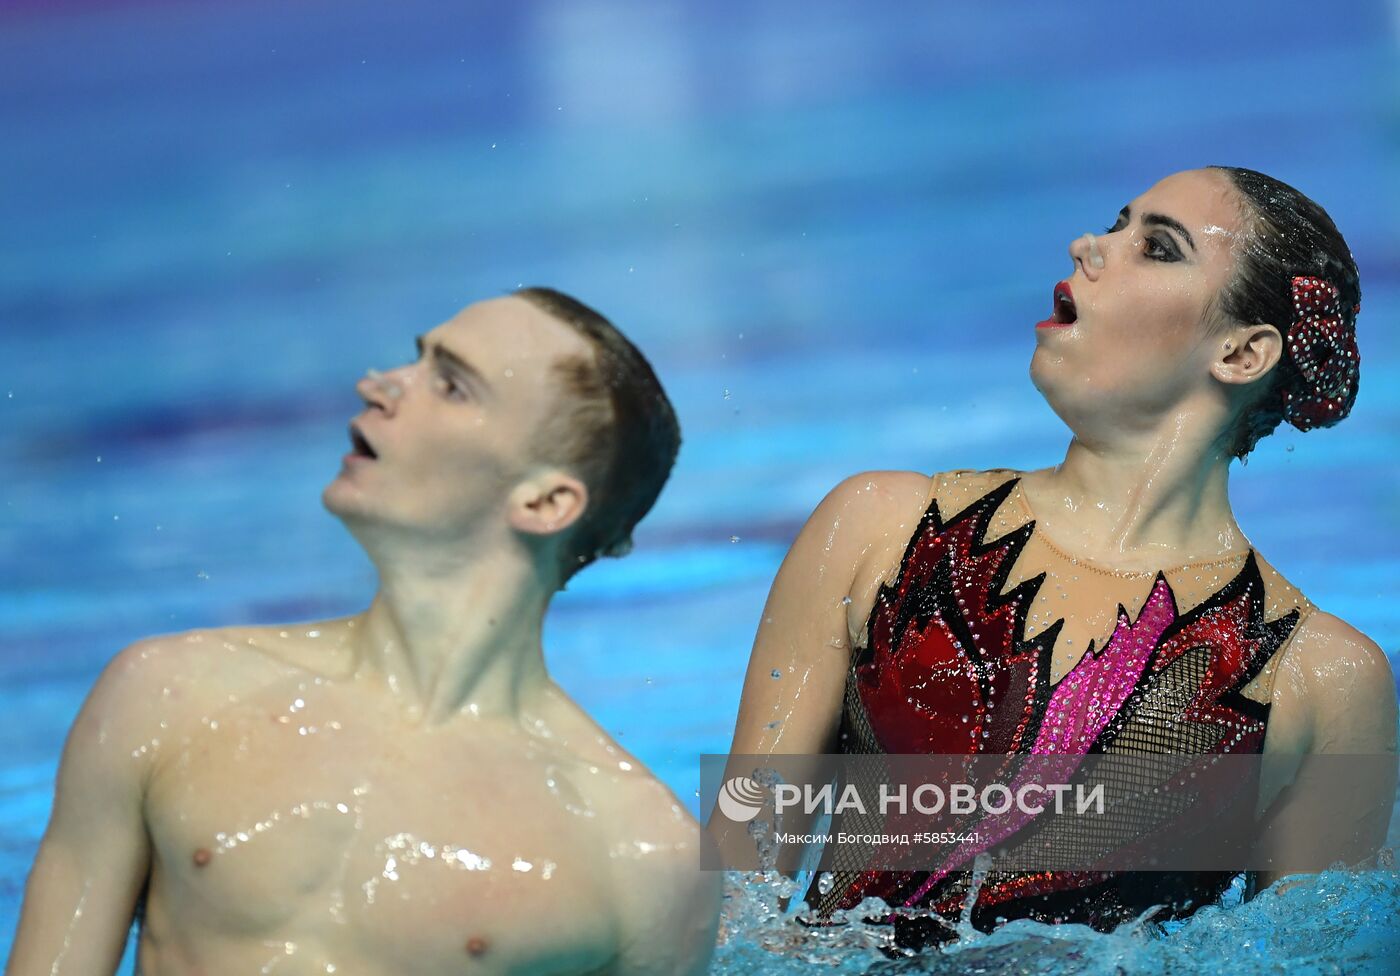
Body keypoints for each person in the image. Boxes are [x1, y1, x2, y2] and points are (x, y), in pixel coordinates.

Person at [721, 167, 1397, 950]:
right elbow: (740, 855)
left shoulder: (1315, 677)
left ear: (1242, 352)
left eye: (1157, 247)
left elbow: (1315, 960)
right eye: (1115, 222)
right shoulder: (878, 529)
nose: (1090, 245)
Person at [8, 288, 720, 974]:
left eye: (451, 385)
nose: (376, 384)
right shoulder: (166, 696)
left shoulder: (637, 856)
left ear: (545, 500)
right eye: (417, 358)